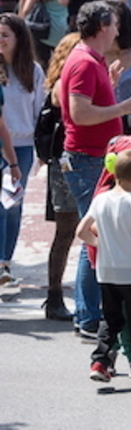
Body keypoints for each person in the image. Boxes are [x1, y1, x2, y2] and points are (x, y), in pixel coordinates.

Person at [61, 1, 131, 338]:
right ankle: (87, 317)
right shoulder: (85, 62)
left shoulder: (93, 59)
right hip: (87, 159)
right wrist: (123, 105)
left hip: (94, 158)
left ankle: (90, 313)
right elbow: (80, 114)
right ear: (101, 26)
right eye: (113, 23)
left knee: (97, 234)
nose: (118, 29)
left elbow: (88, 107)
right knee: (94, 236)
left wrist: (110, 91)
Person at [76, 149, 131, 385]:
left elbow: (81, 231)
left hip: (106, 271)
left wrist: (99, 244)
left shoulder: (100, 199)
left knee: (110, 319)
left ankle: (100, 361)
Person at [40, 33, 82, 319]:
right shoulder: (61, 85)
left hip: (72, 162)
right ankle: (54, 296)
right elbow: (78, 115)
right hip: (65, 164)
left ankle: (62, 296)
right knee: (66, 231)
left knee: (74, 230)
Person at [0, 14, 42, 283]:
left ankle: (5, 262)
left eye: (5, 35)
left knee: (12, 205)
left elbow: (39, 111)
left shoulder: (33, 71)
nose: (0, 40)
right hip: (0, 147)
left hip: (23, 148)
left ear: (19, 38)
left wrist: (40, 152)